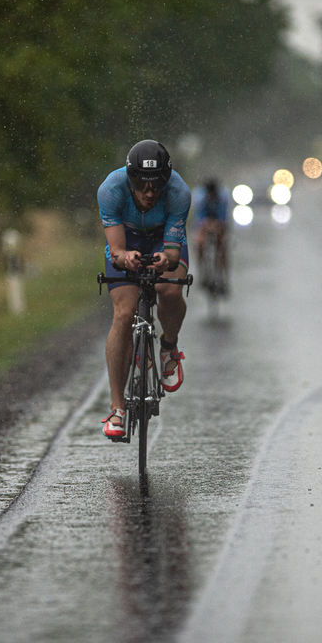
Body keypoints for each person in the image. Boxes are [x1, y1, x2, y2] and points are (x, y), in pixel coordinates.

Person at [98, 140, 191, 439]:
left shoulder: (179, 193)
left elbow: (174, 254)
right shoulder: (110, 190)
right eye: (141, 185)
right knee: (124, 314)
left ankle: (168, 348)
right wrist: (125, 258)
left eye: (157, 186)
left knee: (170, 290)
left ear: (167, 180)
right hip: (127, 243)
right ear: (129, 178)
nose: (150, 193)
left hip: (163, 240)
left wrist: (167, 258)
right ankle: (117, 408)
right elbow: (116, 251)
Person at [192, 178, 231, 294]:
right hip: (204, 224)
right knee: (200, 243)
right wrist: (207, 226)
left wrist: (218, 227)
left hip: (218, 222)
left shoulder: (223, 197)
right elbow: (199, 219)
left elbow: (223, 218)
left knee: (222, 243)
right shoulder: (199, 197)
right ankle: (201, 271)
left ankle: (224, 275)